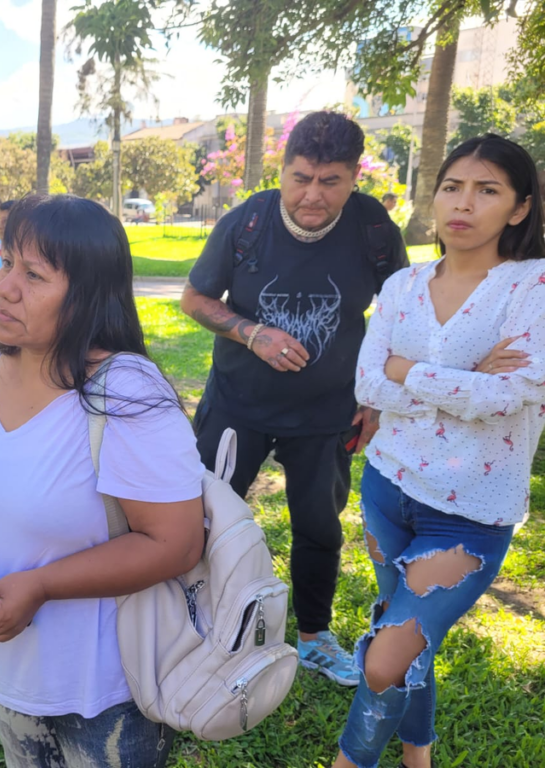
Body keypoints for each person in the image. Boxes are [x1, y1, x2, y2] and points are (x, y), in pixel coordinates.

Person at [0, 194, 206, 768]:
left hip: (110, 688)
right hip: (8, 672)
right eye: (4, 263)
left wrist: (40, 586)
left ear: (89, 296)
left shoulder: (125, 390)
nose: (2, 287)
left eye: (35, 274)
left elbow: (175, 542)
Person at [333, 135, 545, 768]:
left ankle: (350, 762)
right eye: (452, 186)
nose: (464, 203)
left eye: (487, 190)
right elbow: (366, 383)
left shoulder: (531, 286)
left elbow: (520, 389)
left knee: (385, 656)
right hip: (387, 485)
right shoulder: (402, 285)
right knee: (411, 641)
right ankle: (417, 756)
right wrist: (465, 377)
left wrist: (411, 371)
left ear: (518, 208)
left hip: (469, 511)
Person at [180, 111, 409, 687]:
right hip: (238, 403)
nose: (313, 195)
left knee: (319, 527)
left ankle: (313, 637)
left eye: (330, 181)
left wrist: (376, 399)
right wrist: (251, 332)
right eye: (301, 177)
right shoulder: (248, 221)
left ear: (354, 177)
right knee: (203, 515)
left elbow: (400, 314)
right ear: (282, 172)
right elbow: (195, 299)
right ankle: (192, 619)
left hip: (329, 411)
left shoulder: (372, 227)